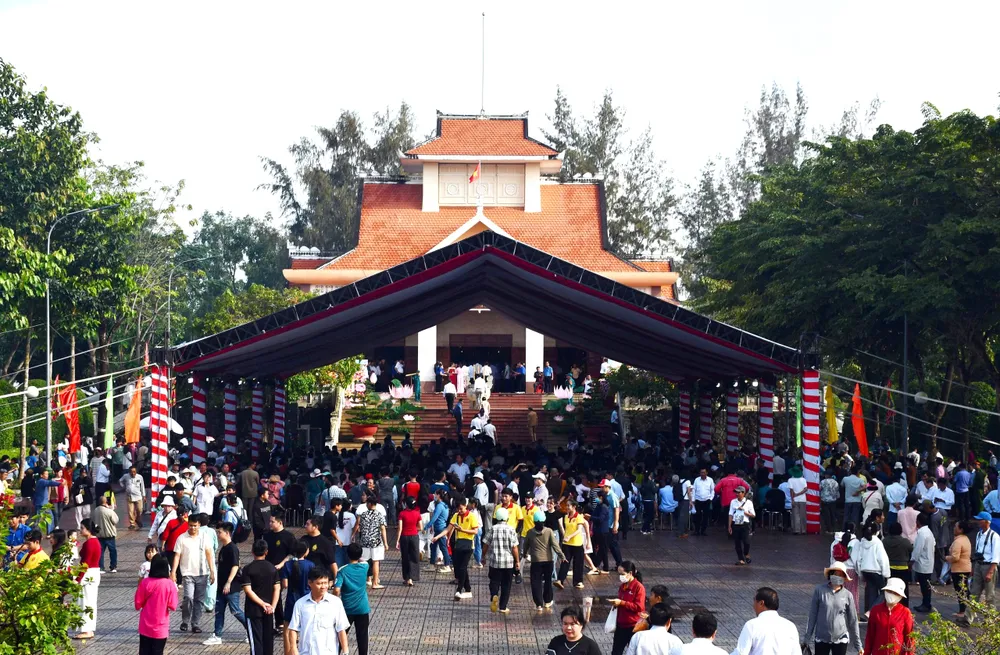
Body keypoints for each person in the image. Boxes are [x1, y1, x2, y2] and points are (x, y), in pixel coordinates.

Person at [286, 566, 350, 655]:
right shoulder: (300, 604)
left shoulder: (335, 602)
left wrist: (346, 651)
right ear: (310, 583)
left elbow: (341, 629)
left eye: (325, 583)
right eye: (319, 583)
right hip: (306, 652)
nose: (323, 586)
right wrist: (293, 648)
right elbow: (293, 628)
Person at [803, 561, 862, 655]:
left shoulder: (848, 595)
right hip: (821, 637)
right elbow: (812, 615)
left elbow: (853, 620)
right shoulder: (819, 590)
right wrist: (806, 638)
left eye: (840, 574)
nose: (837, 576)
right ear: (830, 574)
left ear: (844, 577)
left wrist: (858, 645)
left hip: (841, 638)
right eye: (835, 573)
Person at [202, 522, 246, 645]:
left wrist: (228, 582)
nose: (218, 534)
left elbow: (235, 566)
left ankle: (251, 629)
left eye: (219, 532)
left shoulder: (232, 548)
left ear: (227, 533)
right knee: (219, 610)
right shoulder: (225, 548)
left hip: (231, 587)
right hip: (221, 586)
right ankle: (217, 635)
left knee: (235, 610)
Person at [171, 513, 216, 633]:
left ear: (199, 525)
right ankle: (185, 621)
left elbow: (209, 554)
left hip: (202, 573)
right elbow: (177, 556)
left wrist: (212, 571)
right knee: (188, 597)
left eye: (195, 526)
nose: (193, 528)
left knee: (199, 600)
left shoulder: (204, 537)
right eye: (191, 525)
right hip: (187, 573)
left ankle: (195, 623)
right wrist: (173, 572)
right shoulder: (182, 538)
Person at [431, 495, 479, 600]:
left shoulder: (471, 516)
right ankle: (468, 590)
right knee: (460, 568)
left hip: (468, 545)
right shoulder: (456, 516)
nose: (460, 510)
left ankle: (459, 590)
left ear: (466, 506)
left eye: (461, 508)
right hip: (458, 545)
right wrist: (437, 537)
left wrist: (462, 530)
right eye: (458, 509)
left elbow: (475, 531)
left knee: (462, 567)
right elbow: (448, 529)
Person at [731, 587, 800, 655]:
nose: (753, 605)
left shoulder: (751, 625)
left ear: (761, 603)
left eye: (754, 601)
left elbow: (741, 653)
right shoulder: (790, 626)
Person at [135, 554, 179, 655]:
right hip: (161, 626)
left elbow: (138, 604)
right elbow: (173, 606)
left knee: (144, 652)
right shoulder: (169, 584)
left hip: (145, 625)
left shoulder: (145, 582)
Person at [242, 539, 281, 655]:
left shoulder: (248, 569)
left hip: (253, 610)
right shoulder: (272, 568)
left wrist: (262, 604)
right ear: (266, 552)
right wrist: (272, 606)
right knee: (268, 641)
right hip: (269, 611)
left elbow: (248, 591)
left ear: (252, 551)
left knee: (256, 642)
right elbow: (277, 589)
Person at [334, 543, 371, 655]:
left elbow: (336, 590)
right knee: (362, 636)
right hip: (363, 608)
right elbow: (363, 560)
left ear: (347, 554)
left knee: (341, 634)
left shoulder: (342, 571)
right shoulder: (365, 567)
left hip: (347, 609)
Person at [524, 507, 564, 610]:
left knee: (536, 582)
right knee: (547, 581)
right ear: (544, 520)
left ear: (534, 521)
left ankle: (538, 604)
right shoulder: (549, 531)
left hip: (536, 561)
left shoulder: (530, 532)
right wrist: (562, 556)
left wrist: (524, 554)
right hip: (548, 561)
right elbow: (555, 545)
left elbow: (526, 545)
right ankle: (547, 601)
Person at [483, 506, 520, 614]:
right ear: (507, 518)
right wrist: (517, 561)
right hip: (508, 563)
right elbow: (515, 548)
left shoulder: (492, 529)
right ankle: (503, 607)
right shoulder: (511, 529)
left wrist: (483, 557)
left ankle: (494, 594)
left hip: (494, 562)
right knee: (506, 585)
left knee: (494, 581)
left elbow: (485, 544)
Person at [863, 578, 914, 655]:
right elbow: (870, 636)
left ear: (900, 596)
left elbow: (909, 638)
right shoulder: (876, 611)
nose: (892, 594)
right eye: (889, 591)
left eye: (895, 593)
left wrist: (910, 653)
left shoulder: (905, 612)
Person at [264, 507, 296, 629]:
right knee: (272, 595)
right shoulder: (267, 536)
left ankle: (283, 621)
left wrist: (282, 563)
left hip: (283, 571)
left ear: (280, 522)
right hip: (269, 570)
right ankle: (278, 622)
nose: (270, 524)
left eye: (272, 522)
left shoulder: (288, 536)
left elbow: (292, 554)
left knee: (279, 594)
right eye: (270, 522)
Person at [967, 510, 999, 625]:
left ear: (986, 522)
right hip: (978, 564)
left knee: (989, 595)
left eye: (980, 520)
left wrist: (990, 572)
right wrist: (973, 567)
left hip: (988, 566)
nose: (978, 522)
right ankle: (968, 618)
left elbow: (996, 557)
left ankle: (990, 619)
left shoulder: (994, 537)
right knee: (974, 592)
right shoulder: (979, 534)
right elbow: (976, 551)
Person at [608, 561, 646, 655]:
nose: (621, 576)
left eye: (622, 574)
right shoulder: (623, 586)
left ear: (630, 573)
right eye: (619, 574)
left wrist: (622, 603)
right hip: (621, 625)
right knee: (616, 651)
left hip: (633, 627)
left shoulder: (638, 587)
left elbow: (639, 607)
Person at [74, 519, 102, 639]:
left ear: (88, 529)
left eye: (82, 528)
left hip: (88, 573)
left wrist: (78, 578)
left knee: (85, 602)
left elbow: (85, 563)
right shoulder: (94, 542)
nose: (81, 530)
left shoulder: (90, 543)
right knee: (89, 601)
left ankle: (86, 630)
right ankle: (88, 628)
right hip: (93, 572)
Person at [854, 522, 890, 615]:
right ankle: (871, 612)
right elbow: (883, 559)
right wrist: (886, 574)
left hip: (865, 571)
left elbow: (859, 559)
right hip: (875, 572)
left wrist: (860, 573)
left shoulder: (862, 542)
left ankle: (871, 613)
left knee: (872, 593)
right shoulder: (878, 543)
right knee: (884, 592)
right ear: (877, 531)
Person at [354, 497, 388, 589]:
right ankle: (375, 583)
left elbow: (358, 526)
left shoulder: (363, 515)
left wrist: (355, 537)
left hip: (364, 541)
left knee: (363, 562)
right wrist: (386, 543)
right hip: (376, 541)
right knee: (376, 562)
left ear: (369, 504)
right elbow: (383, 529)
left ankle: (362, 581)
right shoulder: (379, 515)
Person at [555, 499, 588, 589]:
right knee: (564, 561)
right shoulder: (566, 516)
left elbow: (579, 530)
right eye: (567, 505)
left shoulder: (579, 517)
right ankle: (560, 580)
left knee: (578, 563)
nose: (567, 507)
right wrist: (564, 534)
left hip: (577, 544)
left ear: (574, 507)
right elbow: (564, 529)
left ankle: (578, 581)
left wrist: (570, 536)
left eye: (568, 506)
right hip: (567, 544)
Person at [945, 520, 972, 624]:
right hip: (965, 568)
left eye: (956, 526)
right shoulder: (965, 539)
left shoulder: (958, 541)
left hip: (959, 569)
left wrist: (947, 558)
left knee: (961, 591)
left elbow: (955, 557)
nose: (954, 528)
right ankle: (963, 610)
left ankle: (963, 611)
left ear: (961, 530)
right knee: (963, 590)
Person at [882, 522, 913, 608]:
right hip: (903, 568)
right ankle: (904, 607)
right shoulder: (905, 542)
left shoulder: (884, 541)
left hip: (890, 568)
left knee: (889, 588)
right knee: (903, 589)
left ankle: (889, 605)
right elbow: (911, 549)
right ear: (900, 531)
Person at [910, 512, 936, 613]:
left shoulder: (922, 533)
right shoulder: (929, 531)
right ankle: (926, 603)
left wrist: (912, 560)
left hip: (923, 562)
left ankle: (926, 604)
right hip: (928, 561)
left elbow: (918, 549)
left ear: (918, 522)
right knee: (925, 585)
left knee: (924, 585)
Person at [395, 496, 422, 586]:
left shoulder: (402, 514)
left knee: (405, 557)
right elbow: (421, 527)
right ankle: (412, 578)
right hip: (414, 536)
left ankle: (407, 578)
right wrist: (414, 529)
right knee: (414, 557)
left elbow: (400, 528)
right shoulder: (417, 513)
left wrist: (397, 540)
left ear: (406, 504)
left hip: (404, 537)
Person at [728, 485, 755, 565]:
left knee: (746, 541)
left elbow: (753, 515)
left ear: (743, 493)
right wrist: (729, 525)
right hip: (736, 524)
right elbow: (730, 514)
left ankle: (746, 554)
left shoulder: (748, 502)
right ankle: (741, 559)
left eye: (738, 492)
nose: (737, 494)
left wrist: (745, 512)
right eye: (736, 492)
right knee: (737, 543)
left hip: (745, 524)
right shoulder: (733, 502)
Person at [93, 494, 119, 573]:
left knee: (100, 551)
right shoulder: (109, 511)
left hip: (99, 534)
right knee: (112, 551)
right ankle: (113, 566)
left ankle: (101, 567)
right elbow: (116, 520)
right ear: (106, 502)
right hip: (109, 534)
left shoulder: (95, 511)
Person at [120, 465, 146, 530]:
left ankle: (137, 519)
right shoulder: (126, 476)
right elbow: (120, 481)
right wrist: (123, 486)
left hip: (138, 496)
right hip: (129, 496)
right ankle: (132, 524)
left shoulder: (140, 477)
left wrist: (144, 495)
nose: (133, 473)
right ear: (129, 472)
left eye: (134, 472)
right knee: (130, 511)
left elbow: (142, 486)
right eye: (131, 472)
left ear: (136, 471)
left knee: (139, 510)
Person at [692, 469, 714, 536]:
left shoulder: (710, 480)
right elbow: (694, 490)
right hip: (698, 500)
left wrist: (711, 498)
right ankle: (697, 530)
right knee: (697, 516)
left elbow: (712, 490)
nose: (702, 474)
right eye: (701, 472)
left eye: (704, 472)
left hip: (707, 500)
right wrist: (693, 499)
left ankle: (703, 531)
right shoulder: (696, 480)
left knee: (705, 516)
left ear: (707, 473)